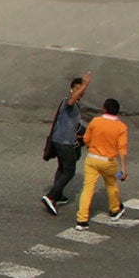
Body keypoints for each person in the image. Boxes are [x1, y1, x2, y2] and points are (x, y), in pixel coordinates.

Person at [77, 97, 129, 229]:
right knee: (112, 182)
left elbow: (86, 139)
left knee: (88, 189)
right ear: (117, 112)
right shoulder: (121, 127)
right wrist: (123, 170)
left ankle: (82, 220)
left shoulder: (95, 121)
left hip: (92, 159)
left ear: (104, 109)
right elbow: (122, 149)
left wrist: (91, 147)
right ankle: (115, 209)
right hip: (109, 163)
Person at [42, 74, 90, 215]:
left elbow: (75, 124)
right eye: (77, 88)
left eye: (81, 89)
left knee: (62, 167)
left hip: (61, 140)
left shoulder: (75, 105)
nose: (80, 91)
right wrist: (85, 84)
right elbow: (71, 102)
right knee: (69, 170)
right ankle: (51, 196)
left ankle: (59, 194)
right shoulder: (68, 102)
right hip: (64, 142)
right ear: (71, 89)